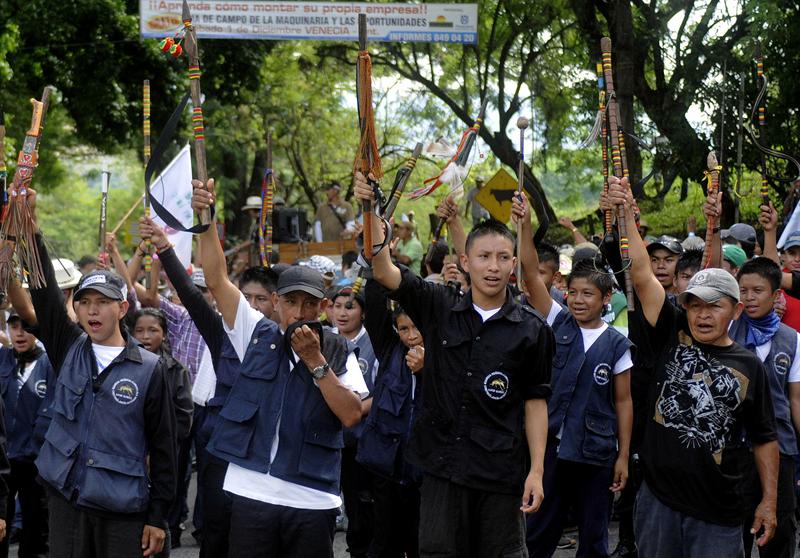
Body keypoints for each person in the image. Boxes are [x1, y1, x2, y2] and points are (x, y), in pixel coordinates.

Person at [354, 170, 553, 557]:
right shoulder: (437, 305)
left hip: (500, 474)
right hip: (441, 469)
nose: (492, 267)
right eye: (483, 257)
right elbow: (384, 271)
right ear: (465, 261)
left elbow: (535, 403)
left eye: (501, 258)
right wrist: (370, 211)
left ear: (513, 264)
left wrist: (537, 470)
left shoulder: (532, 331)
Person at [191, 178, 367, 558]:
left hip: (312, 497)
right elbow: (217, 278)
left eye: (311, 304)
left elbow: (352, 415)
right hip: (250, 490)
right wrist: (206, 220)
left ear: (323, 308)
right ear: (274, 301)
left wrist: (315, 362)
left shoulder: (335, 347)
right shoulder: (255, 332)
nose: (301, 312)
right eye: (292, 302)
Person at [605, 175, 778, 557]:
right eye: (695, 304)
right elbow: (641, 274)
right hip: (659, 503)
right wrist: (625, 212)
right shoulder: (671, 330)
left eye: (714, 305)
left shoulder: (750, 367)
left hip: (719, 512)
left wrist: (769, 501)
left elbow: (765, 438)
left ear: (735, 311)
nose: (702, 314)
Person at [515, 195, 633, 557]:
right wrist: (523, 225)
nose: (579, 300)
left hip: (596, 453)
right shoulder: (557, 321)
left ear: (607, 298)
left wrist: (623, 456)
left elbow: (624, 401)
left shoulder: (618, 343)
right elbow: (532, 275)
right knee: (538, 531)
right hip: (550, 448)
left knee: (594, 536)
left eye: (589, 294)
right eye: (573, 293)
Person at [728, 258, 800, 556]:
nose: (749, 298)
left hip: (780, 447)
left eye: (758, 290)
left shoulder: (792, 340)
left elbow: (795, 399)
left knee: (780, 527)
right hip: (734, 447)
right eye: (743, 290)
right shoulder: (726, 331)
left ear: (775, 295)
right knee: (734, 526)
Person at [357, 279, 425, 558]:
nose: (411, 336)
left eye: (416, 327)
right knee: (384, 540)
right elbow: (374, 306)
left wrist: (426, 370)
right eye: (403, 329)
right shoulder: (389, 350)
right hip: (386, 464)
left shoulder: (445, 356)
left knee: (421, 540)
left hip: (422, 468)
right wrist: (377, 260)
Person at [131, 308, 193, 552]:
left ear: (165, 334)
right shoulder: (125, 364)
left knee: (158, 515)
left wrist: (156, 449)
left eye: (153, 330)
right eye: (139, 330)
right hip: (130, 453)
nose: (146, 336)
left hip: (161, 455)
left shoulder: (176, 370)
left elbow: (183, 419)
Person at [0, 312, 54, 558]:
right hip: (4, 459)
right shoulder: (2, 359)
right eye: (14, 327)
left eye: (25, 327)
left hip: (35, 461)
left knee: (35, 527)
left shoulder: (51, 363)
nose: (20, 333)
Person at [329, 286, 377, 558]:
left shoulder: (373, 343)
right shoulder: (324, 339)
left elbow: (381, 391)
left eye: (350, 307)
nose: (342, 313)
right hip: (328, 440)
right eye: (337, 306)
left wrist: (354, 409)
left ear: (363, 312)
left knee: (361, 511)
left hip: (360, 441)